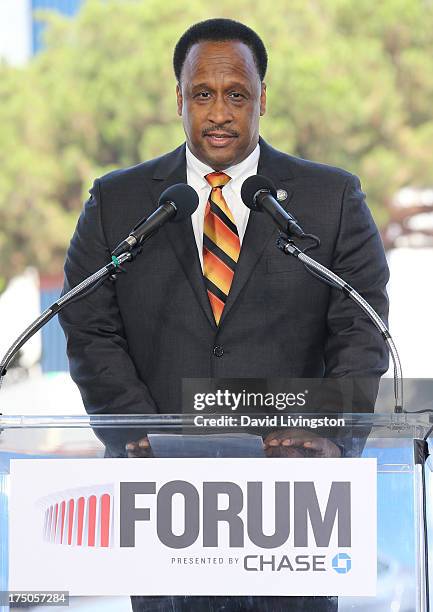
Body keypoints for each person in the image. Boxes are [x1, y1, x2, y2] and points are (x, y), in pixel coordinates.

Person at [59, 18, 389, 612]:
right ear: (177, 97)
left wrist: (330, 436)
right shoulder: (120, 201)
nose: (218, 113)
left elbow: (361, 329)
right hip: (163, 498)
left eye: (236, 95)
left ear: (263, 97)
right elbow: (89, 326)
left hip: (291, 505)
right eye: (202, 94)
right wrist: (141, 436)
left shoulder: (329, 198)